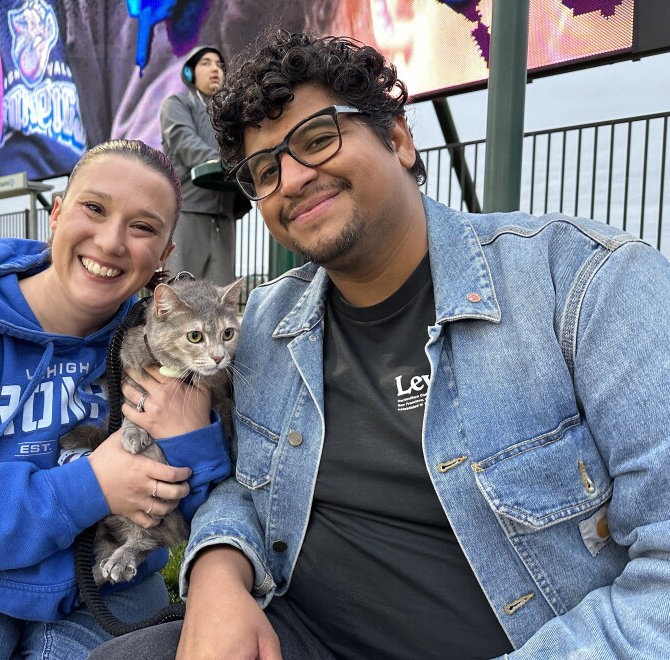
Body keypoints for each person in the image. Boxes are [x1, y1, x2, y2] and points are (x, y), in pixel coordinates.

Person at [92, 31, 670, 659]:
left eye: (317, 139)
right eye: (265, 171)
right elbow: (245, 488)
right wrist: (216, 569)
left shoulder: (590, 285)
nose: (292, 178)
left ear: (397, 139)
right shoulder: (263, 327)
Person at [0, 139, 232, 658]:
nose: (111, 240)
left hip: (107, 581)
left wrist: (194, 440)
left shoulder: (170, 347)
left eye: (142, 226)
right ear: (56, 214)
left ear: (164, 256)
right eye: (94, 208)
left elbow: (202, 512)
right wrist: (88, 488)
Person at [160, 45, 249, 285]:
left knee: (220, 298)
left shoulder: (232, 116)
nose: (215, 69)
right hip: (188, 212)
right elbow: (185, 142)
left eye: (220, 65)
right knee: (179, 293)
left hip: (225, 216)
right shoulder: (177, 104)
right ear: (190, 73)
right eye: (206, 63)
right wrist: (227, 162)